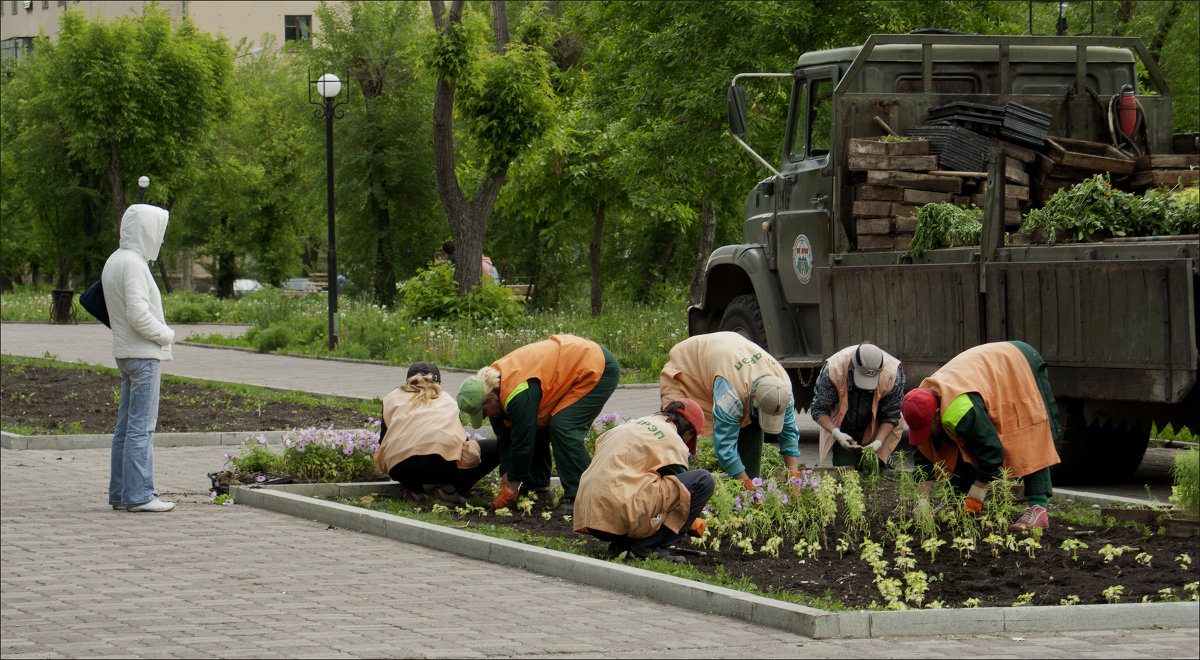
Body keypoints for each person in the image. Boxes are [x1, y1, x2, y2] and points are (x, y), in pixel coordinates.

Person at [900, 340, 1063, 532]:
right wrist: (923, 502)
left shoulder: (960, 411)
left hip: (1017, 364)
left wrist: (976, 496)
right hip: (988, 368)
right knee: (956, 440)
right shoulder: (919, 404)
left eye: (929, 428)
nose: (927, 434)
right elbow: (923, 457)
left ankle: (1038, 509)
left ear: (937, 413)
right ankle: (956, 500)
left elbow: (992, 453)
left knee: (1027, 430)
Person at [457, 334, 620, 514]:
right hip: (573, 365)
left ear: (491, 398)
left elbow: (523, 442)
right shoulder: (493, 389)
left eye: (484, 412)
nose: (486, 417)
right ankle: (537, 489)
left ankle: (582, 496)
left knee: (564, 427)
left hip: (595, 366)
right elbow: (505, 441)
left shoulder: (518, 393)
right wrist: (506, 480)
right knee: (538, 423)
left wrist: (513, 486)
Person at [574, 399, 715, 563]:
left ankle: (623, 545)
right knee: (703, 481)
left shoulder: (629, 426)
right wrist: (688, 521)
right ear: (689, 430)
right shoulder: (672, 439)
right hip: (621, 514)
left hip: (592, 517)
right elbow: (682, 495)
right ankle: (648, 548)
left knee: (641, 483)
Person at [103, 204, 176, 513]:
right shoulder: (133, 264)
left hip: (125, 352)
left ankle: (121, 493)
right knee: (141, 427)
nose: (159, 240)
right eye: (157, 233)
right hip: (143, 354)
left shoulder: (116, 260)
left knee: (125, 427)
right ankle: (139, 495)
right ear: (146, 231)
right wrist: (166, 334)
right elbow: (137, 314)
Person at [659, 332, 801, 486]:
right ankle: (673, 486)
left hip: (729, 355)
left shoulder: (783, 389)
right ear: (753, 396)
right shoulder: (731, 394)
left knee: (752, 420)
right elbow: (725, 447)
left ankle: (748, 480)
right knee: (679, 428)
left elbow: (789, 433)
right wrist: (745, 485)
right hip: (689, 365)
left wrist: (793, 474)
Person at [374, 362, 499, 504]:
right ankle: (449, 491)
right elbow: (461, 442)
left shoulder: (391, 398)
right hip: (440, 465)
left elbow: (383, 441)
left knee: (401, 454)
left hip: (400, 468)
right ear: (438, 382)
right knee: (496, 447)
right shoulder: (446, 399)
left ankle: (414, 490)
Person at [810, 342, 905, 468]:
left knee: (874, 468)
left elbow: (891, 415)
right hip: (843, 426)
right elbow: (819, 409)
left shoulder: (892, 375)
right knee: (845, 468)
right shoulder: (833, 369)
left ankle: (884, 460)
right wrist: (836, 433)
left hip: (875, 424)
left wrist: (878, 442)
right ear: (852, 366)